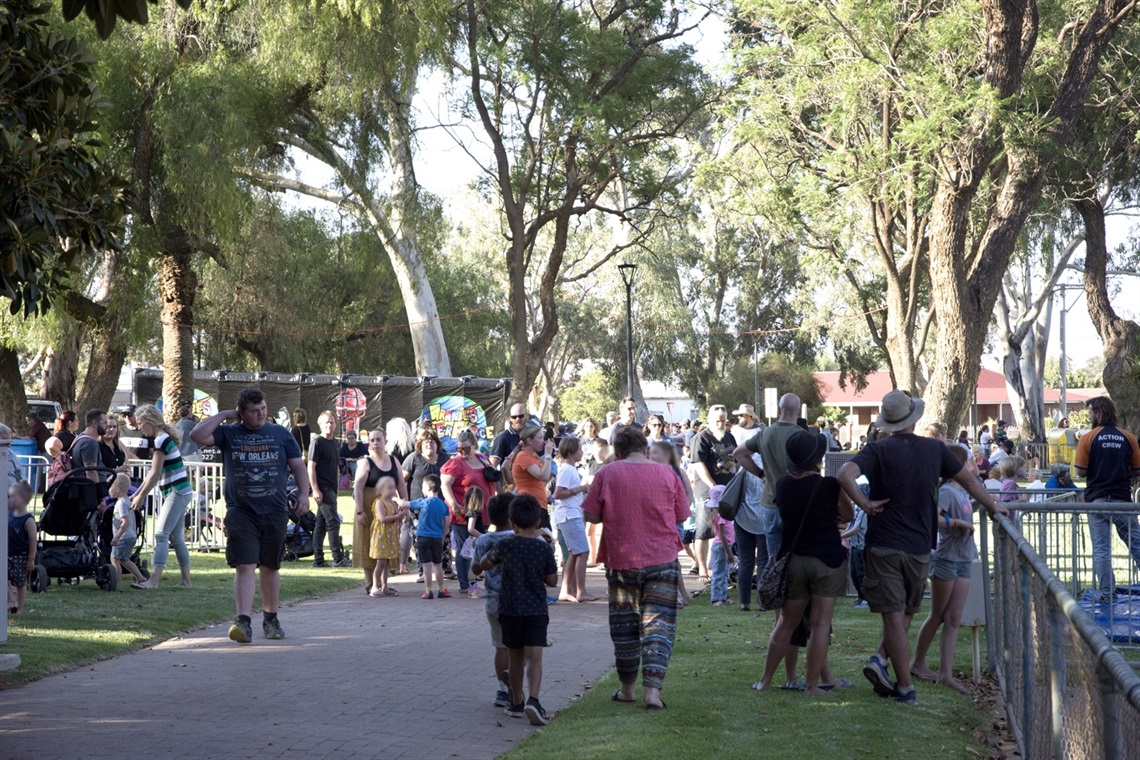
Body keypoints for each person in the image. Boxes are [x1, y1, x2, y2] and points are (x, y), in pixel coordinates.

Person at [837, 390, 1007, 704]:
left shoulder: (875, 450)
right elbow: (971, 482)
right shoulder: (934, 449)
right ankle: (901, 682)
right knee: (906, 613)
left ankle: (892, 673)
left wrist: (865, 504)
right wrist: (994, 507)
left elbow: (843, 474)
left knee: (894, 615)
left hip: (883, 544)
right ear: (913, 419)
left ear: (887, 422)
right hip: (919, 546)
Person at [583, 426, 689, 710]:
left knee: (625, 626)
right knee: (659, 624)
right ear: (644, 448)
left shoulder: (607, 473)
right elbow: (681, 514)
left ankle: (627, 689)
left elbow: (590, 515)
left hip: (622, 559)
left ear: (617, 451)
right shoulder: (667, 473)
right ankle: (652, 693)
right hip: (662, 557)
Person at [191, 388, 310, 643]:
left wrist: (303, 495)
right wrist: (224, 414)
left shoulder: (280, 434)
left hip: (275, 510)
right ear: (241, 413)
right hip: (241, 511)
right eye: (254, 411)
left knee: (270, 565)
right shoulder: (229, 433)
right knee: (244, 564)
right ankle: (242, 622)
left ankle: (271, 618)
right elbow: (197, 435)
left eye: (263, 409)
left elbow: (298, 465)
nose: (261, 414)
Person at [753, 430, 852, 695]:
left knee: (786, 622)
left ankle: (764, 681)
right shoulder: (829, 486)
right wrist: (833, 517)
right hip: (827, 560)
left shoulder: (783, 485)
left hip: (794, 559)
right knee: (820, 624)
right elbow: (848, 513)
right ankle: (811, 685)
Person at [477, 494, 558, 725]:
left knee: (514, 657)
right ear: (537, 522)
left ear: (511, 522)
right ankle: (534, 699)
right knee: (534, 657)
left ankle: (515, 702)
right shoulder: (542, 548)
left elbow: (484, 564)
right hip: (535, 610)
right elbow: (552, 580)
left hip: (509, 608)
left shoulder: (504, 545)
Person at [910, 443, 977, 694]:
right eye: (970, 459)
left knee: (953, 618)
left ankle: (945, 674)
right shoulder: (948, 490)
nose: (975, 463)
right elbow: (933, 517)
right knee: (938, 614)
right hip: (947, 558)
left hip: (964, 559)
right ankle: (917, 663)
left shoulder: (962, 491)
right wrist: (956, 522)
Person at [1074, 396, 1140, 597]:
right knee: (1136, 544)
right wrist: (1120, 473)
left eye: (1090, 412)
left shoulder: (1088, 438)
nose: (1089, 415)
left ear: (1098, 413)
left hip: (1097, 501)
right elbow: (1137, 469)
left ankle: (1107, 593)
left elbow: (1080, 471)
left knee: (1102, 550)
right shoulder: (1128, 437)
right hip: (1122, 501)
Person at [130, 404, 194, 590]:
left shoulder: (160, 441)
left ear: (150, 422)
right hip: (181, 490)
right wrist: (137, 493)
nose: (140, 427)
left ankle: (154, 581)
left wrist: (140, 496)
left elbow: (154, 474)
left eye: (141, 423)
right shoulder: (163, 439)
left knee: (161, 534)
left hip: (177, 490)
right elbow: (152, 474)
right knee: (176, 538)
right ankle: (185, 581)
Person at [735, 393, 802, 560]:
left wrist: (760, 473)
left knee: (774, 559)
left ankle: (775, 585)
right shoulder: (802, 436)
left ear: (780, 409)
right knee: (794, 558)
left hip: (770, 503)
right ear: (799, 411)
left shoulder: (765, 434)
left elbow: (739, 454)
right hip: (794, 504)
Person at [440, 429, 496, 596]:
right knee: (465, 547)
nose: (462, 452)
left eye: (466, 448)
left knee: (477, 546)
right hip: (464, 511)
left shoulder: (482, 458)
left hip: (483, 510)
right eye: (459, 448)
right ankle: (465, 583)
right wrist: (453, 503)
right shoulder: (456, 463)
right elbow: (445, 484)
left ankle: (473, 579)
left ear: (474, 446)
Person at [352, 427, 408, 592]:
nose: (375, 443)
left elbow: (401, 484)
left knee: (386, 541)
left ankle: (383, 584)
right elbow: (357, 488)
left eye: (378, 439)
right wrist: (360, 510)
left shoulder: (394, 461)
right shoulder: (365, 462)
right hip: (369, 505)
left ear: (385, 442)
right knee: (368, 541)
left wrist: (405, 507)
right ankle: (369, 583)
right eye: (372, 440)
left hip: (389, 506)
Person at [473, 493, 516, 707]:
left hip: (492, 600)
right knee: (518, 648)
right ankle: (516, 689)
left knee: (500, 647)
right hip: (516, 602)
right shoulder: (519, 539)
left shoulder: (483, 540)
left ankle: (502, 690)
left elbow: (475, 568)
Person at [691, 405, 737, 582]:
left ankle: (723, 567)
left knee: (724, 530)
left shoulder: (729, 436)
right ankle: (702, 569)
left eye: (723, 420)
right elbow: (698, 464)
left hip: (728, 492)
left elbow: (735, 459)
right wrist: (713, 486)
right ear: (709, 419)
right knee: (704, 530)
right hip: (708, 492)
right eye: (718, 419)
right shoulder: (701, 438)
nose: (721, 422)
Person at [402, 427, 451, 574]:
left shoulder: (444, 458)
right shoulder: (413, 458)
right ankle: (423, 570)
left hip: (440, 508)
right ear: (420, 445)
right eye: (425, 442)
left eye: (432, 442)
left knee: (444, 537)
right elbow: (401, 480)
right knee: (420, 539)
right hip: (418, 509)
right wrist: (402, 502)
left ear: (437, 444)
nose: (429, 444)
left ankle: (446, 568)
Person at [552, 436, 594, 603]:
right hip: (569, 515)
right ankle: (580, 590)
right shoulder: (567, 470)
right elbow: (559, 494)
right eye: (579, 449)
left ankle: (567, 590)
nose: (581, 452)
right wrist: (581, 489)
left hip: (570, 514)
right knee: (582, 551)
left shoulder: (568, 468)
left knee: (574, 553)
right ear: (571, 452)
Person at [309, 411, 350, 568]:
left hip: (331, 488)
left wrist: (337, 489)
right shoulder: (317, 442)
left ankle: (318, 559)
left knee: (321, 524)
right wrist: (315, 489)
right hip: (322, 488)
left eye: (332, 422)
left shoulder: (334, 443)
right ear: (320, 424)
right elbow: (310, 466)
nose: (329, 425)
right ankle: (337, 559)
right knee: (333, 522)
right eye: (326, 422)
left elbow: (335, 467)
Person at [403, 474, 451, 599]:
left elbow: (406, 504)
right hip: (437, 538)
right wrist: (443, 536)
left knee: (426, 566)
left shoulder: (422, 502)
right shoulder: (444, 505)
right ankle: (441, 589)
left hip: (423, 537)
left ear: (429, 487)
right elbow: (446, 524)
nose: (422, 489)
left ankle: (428, 590)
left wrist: (397, 500)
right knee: (438, 565)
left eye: (423, 487)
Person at [368, 476, 407, 596]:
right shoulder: (379, 502)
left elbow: (397, 516)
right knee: (380, 562)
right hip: (381, 536)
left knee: (387, 563)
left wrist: (401, 514)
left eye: (393, 487)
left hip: (390, 536)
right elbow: (382, 519)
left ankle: (385, 586)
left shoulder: (393, 503)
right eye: (389, 488)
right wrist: (398, 517)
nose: (392, 490)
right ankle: (375, 586)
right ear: (380, 490)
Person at [512, 426, 555, 528]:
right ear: (530, 440)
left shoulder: (533, 456)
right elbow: (543, 476)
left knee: (547, 541)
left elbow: (548, 474)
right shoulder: (523, 456)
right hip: (531, 506)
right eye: (540, 438)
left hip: (539, 505)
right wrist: (548, 455)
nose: (543, 442)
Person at [108, 473, 146, 585]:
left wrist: (116, 537)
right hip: (131, 535)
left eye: (110, 487)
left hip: (123, 536)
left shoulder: (121, 504)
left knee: (114, 559)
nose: (108, 490)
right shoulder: (126, 500)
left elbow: (125, 522)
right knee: (124, 559)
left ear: (117, 489)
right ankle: (140, 578)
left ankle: (117, 582)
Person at [7, 480, 37, 614]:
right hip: (7, 554)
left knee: (20, 584)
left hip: (21, 556)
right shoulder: (8, 516)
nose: (10, 499)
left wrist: (31, 558)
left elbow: (33, 540)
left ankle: (20, 608)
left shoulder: (28, 520)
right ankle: (11, 601)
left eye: (14, 496)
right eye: (9, 496)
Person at [708, 485, 735, 607]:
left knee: (724, 573)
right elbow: (722, 536)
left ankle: (724, 596)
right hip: (722, 547)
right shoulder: (721, 516)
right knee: (718, 573)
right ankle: (716, 598)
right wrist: (728, 552)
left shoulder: (722, 514)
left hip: (725, 546)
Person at [841, 504, 868, 607]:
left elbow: (856, 529)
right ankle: (860, 596)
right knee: (854, 574)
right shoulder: (857, 511)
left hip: (862, 547)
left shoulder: (864, 512)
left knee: (862, 574)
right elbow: (850, 527)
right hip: (854, 547)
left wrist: (841, 535)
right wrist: (841, 533)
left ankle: (866, 599)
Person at [71, 409, 107, 483]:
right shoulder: (89, 443)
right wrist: (98, 490)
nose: (107, 426)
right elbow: (91, 471)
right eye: (105, 423)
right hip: (87, 490)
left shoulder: (80, 438)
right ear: (95, 423)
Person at [490, 403, 529, 468]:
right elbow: (492, 465)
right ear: (510, 418)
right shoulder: (502, 437)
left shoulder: (532, 435)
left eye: (521, 416)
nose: (517, 419)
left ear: (527, 416)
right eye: (514, 417)